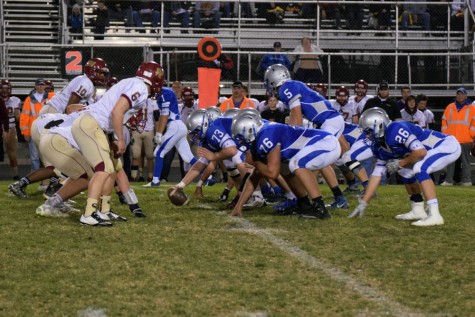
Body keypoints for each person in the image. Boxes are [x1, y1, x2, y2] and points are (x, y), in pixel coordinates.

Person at [70, 61, 163, 226]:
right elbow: (117, 111)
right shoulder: (140, 87)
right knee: (104, 168)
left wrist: (113, 137)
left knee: (113, 168)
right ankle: (89, 214)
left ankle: (104, 210)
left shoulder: (132, 82)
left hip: (97, 126)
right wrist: (120, 139)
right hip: (91, 124)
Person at [349, 107, 462, 226]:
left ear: (379, 126)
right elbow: (377, 174)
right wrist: (364, 202)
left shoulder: (396, 129)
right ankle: (418, 209)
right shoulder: (379, 145)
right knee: (404, 172)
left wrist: (400, 163)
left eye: (368, 131)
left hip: (446, 145)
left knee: (419, 167)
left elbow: (420, 152)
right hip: (429, 152)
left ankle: (435, 214)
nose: (367, 136)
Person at [264, 64, 349, 209]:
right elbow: (295, 117)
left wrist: (290, 140)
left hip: (329, 122)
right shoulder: (291, 85)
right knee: (319, 161)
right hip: (328, 121)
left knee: (308, 160)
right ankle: (337, 198)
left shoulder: (286, 88)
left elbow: (296, 118)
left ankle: (311, 199)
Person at [230, 114, 341, 218]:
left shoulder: (266, 134)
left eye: (240, 137)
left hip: (326, 143)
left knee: (296, 163)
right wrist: (238, 207)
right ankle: (304, 205)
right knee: (285, 166)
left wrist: (254, 162)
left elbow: (273, 173)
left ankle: (319, 208)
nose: (240, 141)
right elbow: (255, 176)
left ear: (250, 130)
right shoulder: (260, 137)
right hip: (320, 144)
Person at [145, 79, 198, 187]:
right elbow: (162, 116)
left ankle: (155, 181)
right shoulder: (163, 93)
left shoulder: (164, 94)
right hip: (177, 126)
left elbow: (164, 115)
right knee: (188, 157)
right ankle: (209, 177)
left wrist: (159, 133)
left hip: (175, 126)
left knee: (158, 152)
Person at [40, 57, 109, 115]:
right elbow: (70, 106)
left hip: (53, 109)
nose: (102, 76)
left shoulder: (85, 80)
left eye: (104, 74)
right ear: (91, 71)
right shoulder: (86, 83)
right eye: (100, 73)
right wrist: (65, 118)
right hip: (54, 110)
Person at [440, 87, 475, 186]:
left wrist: (471, 135)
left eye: (462, 94)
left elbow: (474, 123)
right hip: (452, 139)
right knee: (450, 161)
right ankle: (449, 180)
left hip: (465, 139)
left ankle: (467, 181)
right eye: (458, 94)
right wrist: (445, 135)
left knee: (466, 162)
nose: (460, 96)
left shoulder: (471, 108)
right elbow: (444, 120)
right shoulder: (450, 107)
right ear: (456, 95)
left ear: (466, 96)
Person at [19, 79, 49, 171]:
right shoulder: (29, 99)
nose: (40, 87)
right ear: (35, 86)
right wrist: (25, 132)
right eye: (39, 85)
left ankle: (46, 178)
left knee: (47, 156)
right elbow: (24, 116)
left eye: (42, 85)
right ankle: (35, 177)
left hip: (47, 131)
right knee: (35, 157)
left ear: (45, 86)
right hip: (34, 132)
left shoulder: (50, 97)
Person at [130, 98, 157, 182]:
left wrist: (158, 133)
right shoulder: (133, 101)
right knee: (135, 155)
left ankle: (150, 177)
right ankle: (134, 176)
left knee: (150, 155)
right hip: (136, 130)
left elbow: (157, 118)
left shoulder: (153, 102)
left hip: (149, 131)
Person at [1, 80, 21, 180]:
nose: (4, 91)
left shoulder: (15, 100)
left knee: (12, 153)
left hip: (11, 127)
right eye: (2, 88)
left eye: (7, 89)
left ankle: (15, 176)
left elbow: (17, 117)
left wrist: (18, 114)